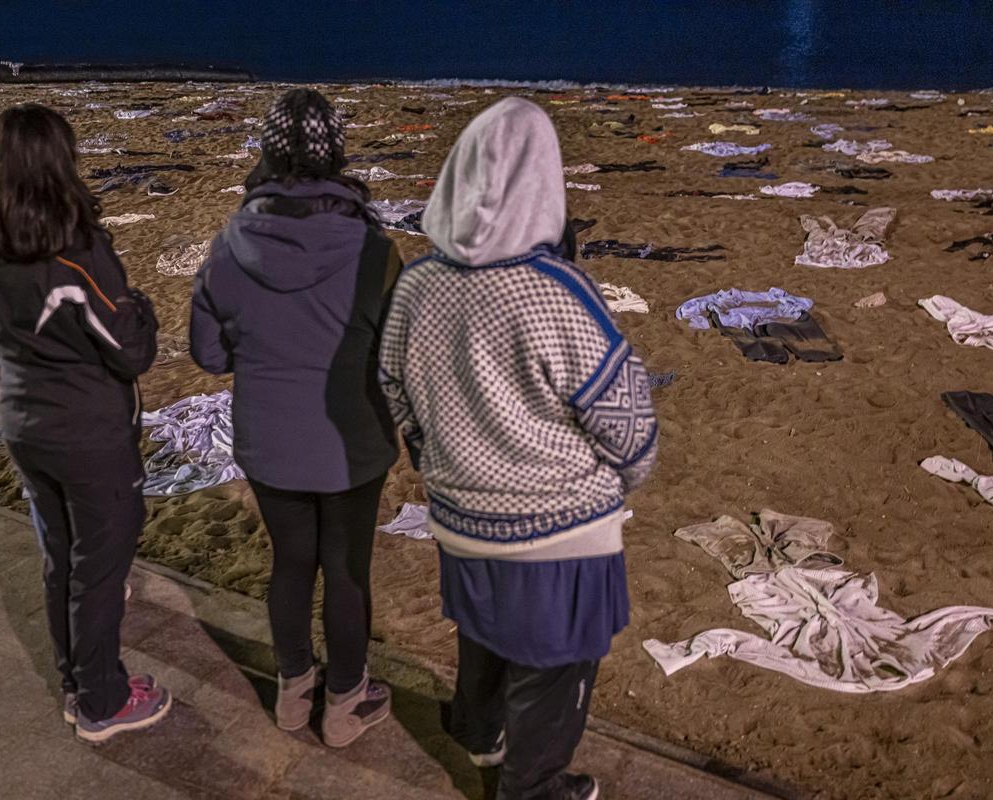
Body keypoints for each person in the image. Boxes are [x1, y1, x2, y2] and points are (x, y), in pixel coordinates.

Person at [378, 97, 659, 800]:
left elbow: (392, 389)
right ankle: (532, 789)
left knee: (484, 629)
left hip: (459, 514)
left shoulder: (418, 285)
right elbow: (627, 424)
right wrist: (622, 477)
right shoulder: (555, 292)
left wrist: (441, 458)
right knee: (557, 667)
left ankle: (477, 733)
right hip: (560, 531)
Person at [189, 88, 402, 747]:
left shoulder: (231, 245)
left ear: (268, 152)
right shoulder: (375, 251)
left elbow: (207, 353)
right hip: (352, 445)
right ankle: (345, 704)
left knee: (289, 563)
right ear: (337, 154)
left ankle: (292, 694)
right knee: (345, 570)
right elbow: (398, 355)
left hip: (270, 443)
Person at [0, 102, 167, 743]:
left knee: (61, 558)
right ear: (59, 164)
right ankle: (102, 700)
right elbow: (130, 349)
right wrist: (143, 310)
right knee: (100, 565)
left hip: (22, 420)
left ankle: (78, 682)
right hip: (89, 430)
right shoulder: (75, 251)